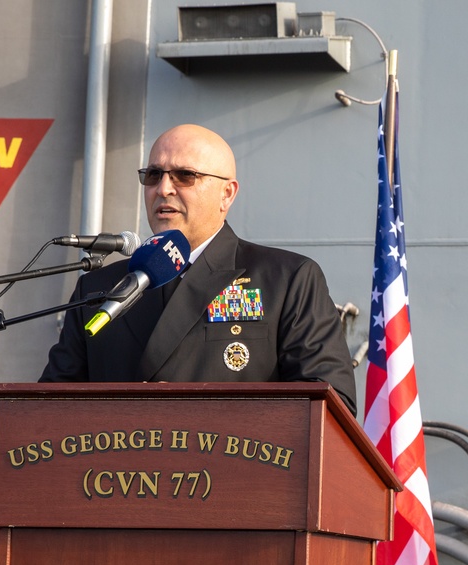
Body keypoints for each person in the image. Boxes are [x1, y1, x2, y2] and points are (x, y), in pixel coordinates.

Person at [39, 124, 357, 415]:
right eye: (153, 175)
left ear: (227, 194)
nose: (163, 188)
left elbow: (329, 405)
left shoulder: (287, 279)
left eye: (184, 175)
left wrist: (192, 414)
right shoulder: (100, 288)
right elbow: (48, 410)